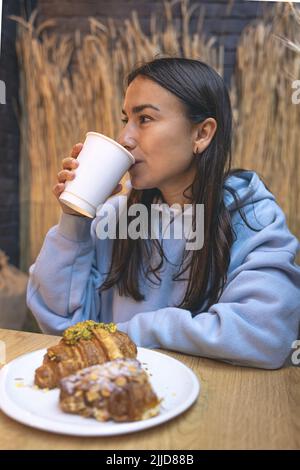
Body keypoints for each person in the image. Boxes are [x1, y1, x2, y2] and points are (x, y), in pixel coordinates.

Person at [27, 57, 300, 369]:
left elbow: (268, 334)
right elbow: (62, 326)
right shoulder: (115, 217)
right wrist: (74, 218)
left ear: (202, 135)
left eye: (144, 119)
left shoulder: (251, 215)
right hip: (123, 402)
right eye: (125, 119)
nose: (125, 138)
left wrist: (141, 331)